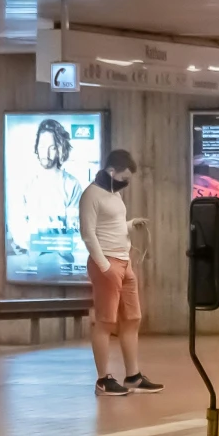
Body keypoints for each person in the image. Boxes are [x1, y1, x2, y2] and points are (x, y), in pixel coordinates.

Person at [78, 149, 161, 394]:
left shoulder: (114, 195)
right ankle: (103, 379)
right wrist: (104, 266)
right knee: (105, 321)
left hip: (125, 262)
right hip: (107, 263)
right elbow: (88, 234)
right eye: (125, 177)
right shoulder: (91, 195)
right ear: (112, 171)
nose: (127, 182)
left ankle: (133, 376)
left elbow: (110, 225)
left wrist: (130, 224)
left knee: (133, 318)